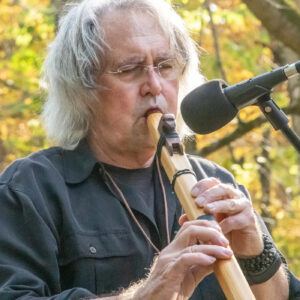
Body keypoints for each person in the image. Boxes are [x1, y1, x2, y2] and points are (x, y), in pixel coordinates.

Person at [0, 0, 299, 299]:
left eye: (165, 66)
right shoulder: (30, 190)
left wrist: (257, 256)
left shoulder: (216, 182)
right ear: (82, 88)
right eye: (129, 69)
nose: (154, 86)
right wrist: (144, 295)